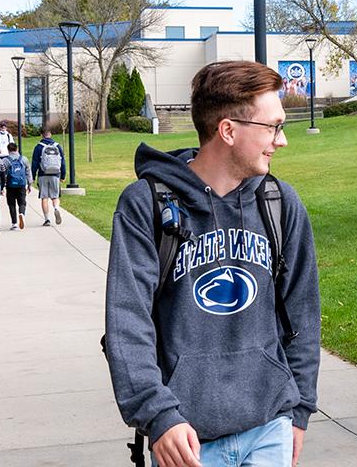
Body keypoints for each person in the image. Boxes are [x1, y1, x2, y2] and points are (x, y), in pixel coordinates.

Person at [102, 60, 321, 467]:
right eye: (273, 127)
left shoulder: (279, 203)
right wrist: (159, 416)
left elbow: (303, 314)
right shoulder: (145, 205)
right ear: (228, 130)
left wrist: (300, 409)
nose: (282, 140)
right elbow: (127, 323)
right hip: (186, 440)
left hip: (271, 425)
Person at [32, 130, 66, 227]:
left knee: (44, 197)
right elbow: (62, 161)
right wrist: (63, 175)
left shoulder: (38, 147)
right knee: (55, 196)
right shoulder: (57, 146)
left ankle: (47, 219)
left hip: (43, 174)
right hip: (55, 174)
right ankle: (56, 208)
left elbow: (34, 163)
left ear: (41, 135)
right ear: (50, 134)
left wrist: (33, 177)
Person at [4, 143, 30, 231]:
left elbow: (3, 173)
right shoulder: (24, 159)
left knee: (11, 204)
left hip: (10, 185)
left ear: (8, 150)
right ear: (17, 149)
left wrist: (2, 185)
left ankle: (14, 223)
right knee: (22, 202)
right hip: (21, 184)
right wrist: (29, 184)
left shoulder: (6, 160)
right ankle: (22, 213)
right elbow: (28, 172)